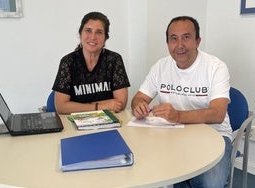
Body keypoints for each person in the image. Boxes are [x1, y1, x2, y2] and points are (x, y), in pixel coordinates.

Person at [131, 16, 232, 188]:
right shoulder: (160, 67)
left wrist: (178, 115)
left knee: (210, 183)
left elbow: (217, 114)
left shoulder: (216, 67)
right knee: (144, 170)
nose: (179, 45)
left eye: (186, 37)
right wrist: (138, 106)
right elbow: (139, 98)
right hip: (172, 134)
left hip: (215, 134)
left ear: (197, 41)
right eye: (173, 39)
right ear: (168, 43)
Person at [52, 12, 130, 114]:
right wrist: (101, 106)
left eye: (99, 32)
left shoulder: (114, 60)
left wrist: (76, 105)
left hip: (108, 121)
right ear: (80, 34)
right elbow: (61, 107)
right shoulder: (68, 62)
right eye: (88, 30)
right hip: (75, 123)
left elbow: (120, 104)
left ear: (105, 38)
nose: (93, 37)